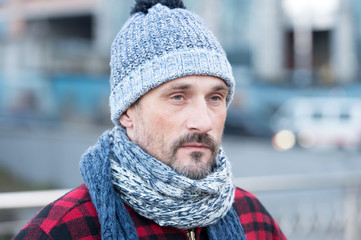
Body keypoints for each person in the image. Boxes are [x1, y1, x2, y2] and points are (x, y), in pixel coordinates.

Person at [13, 0, 286, 239]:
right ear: (126, 111)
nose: (204, 122)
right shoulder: (65, 230)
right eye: (178, 96)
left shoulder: (253, 219)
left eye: (215, 98)